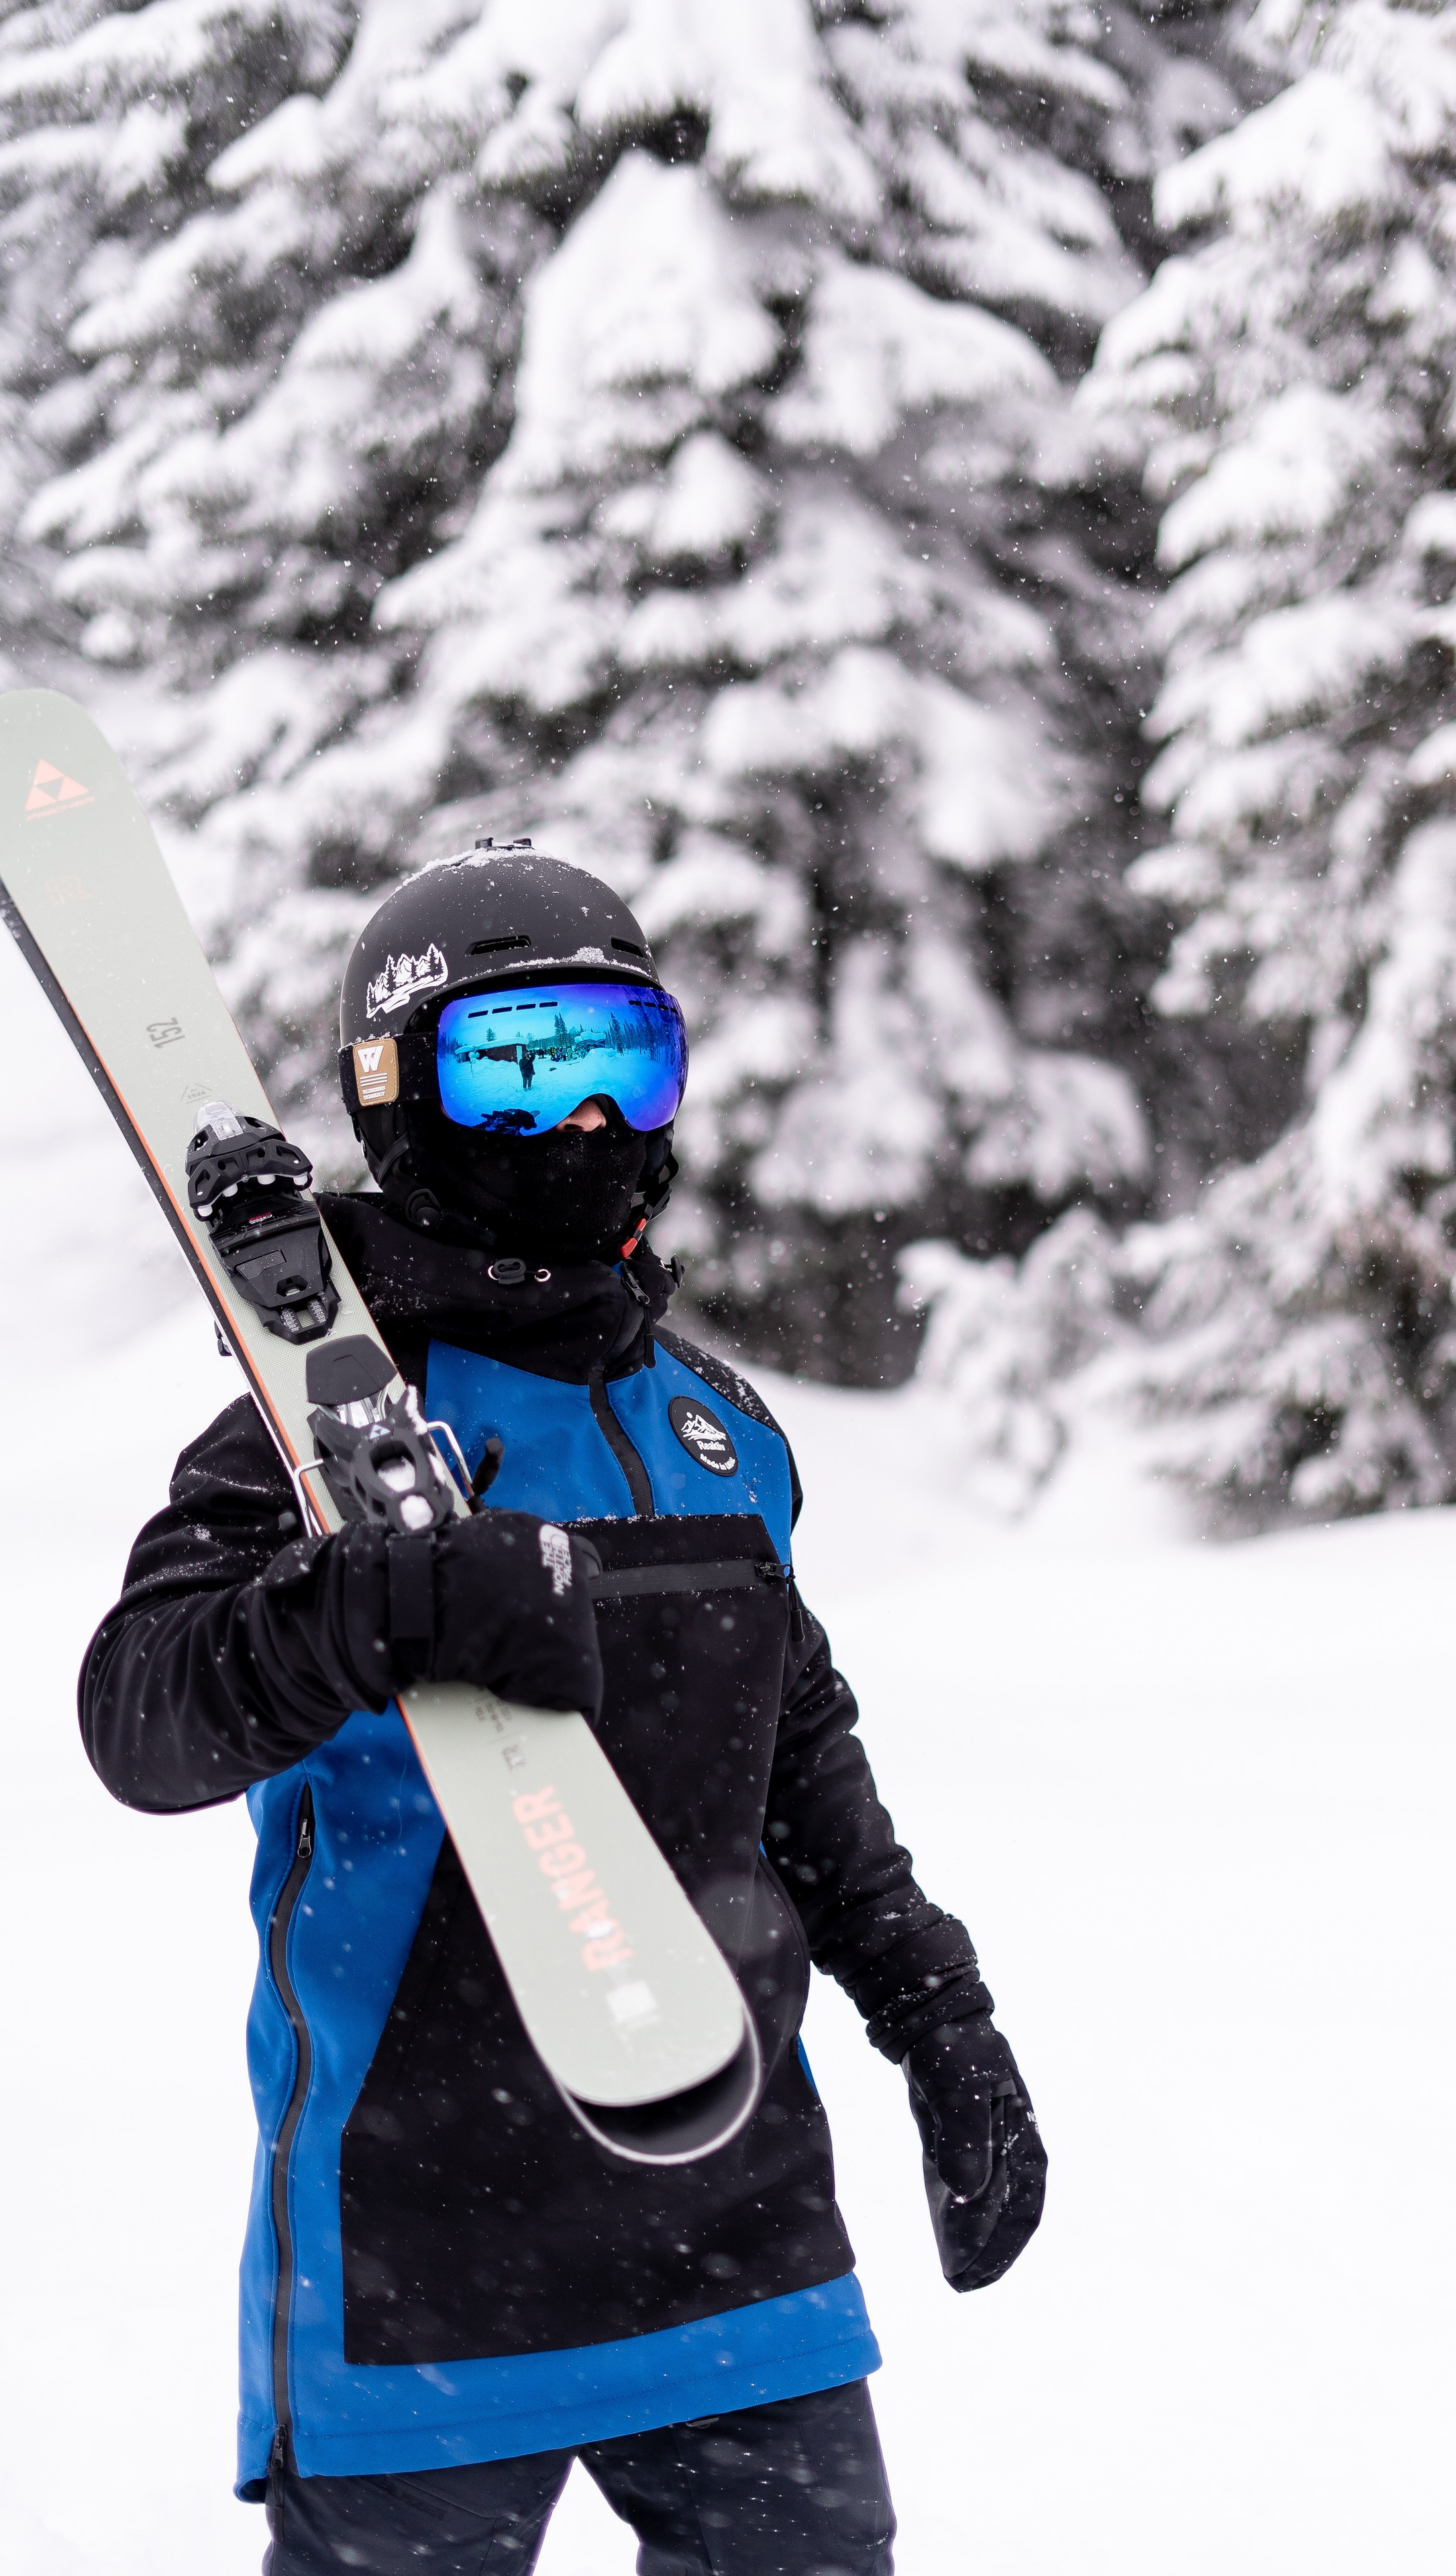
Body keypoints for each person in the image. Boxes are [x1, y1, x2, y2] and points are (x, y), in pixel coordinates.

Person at [80, 841, 1046, 2576]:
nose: (584, 1129)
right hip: (416, 2250)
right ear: (398, 1101)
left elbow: (801, 1761)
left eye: (624, 1066)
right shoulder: (316, 1435)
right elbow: (140, 1716)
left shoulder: (717, 1429)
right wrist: (362, 1605)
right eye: (515, 1076)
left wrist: (941, 2021)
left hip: (738, 2225)